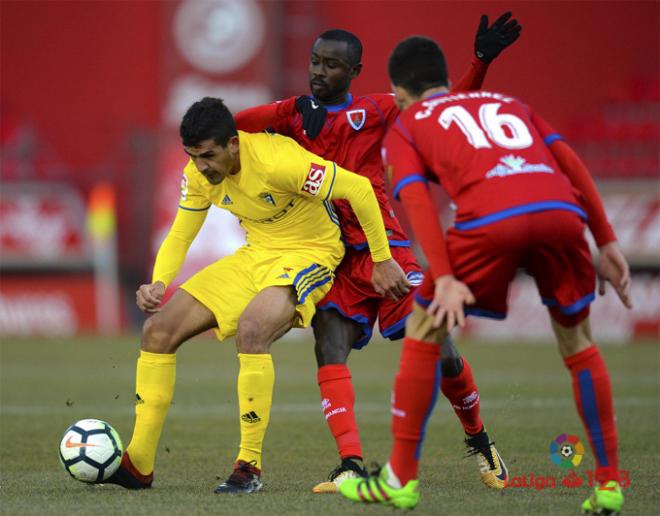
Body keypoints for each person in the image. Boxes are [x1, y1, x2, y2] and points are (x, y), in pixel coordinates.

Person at [338, 36, 632, 513]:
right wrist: (607, 238)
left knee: (423, 328)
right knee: (579, 345)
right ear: (448, 83)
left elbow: (414, 198)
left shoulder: (408, 124)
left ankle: (399, 480)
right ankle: (608, 485)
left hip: (489, 219)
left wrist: (447, 275)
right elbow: (569, 162)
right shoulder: (508, 103)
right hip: (559, 213)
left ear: (399, 92)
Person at [235, 13, 521, 493]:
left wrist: (480, 62)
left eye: (331, 65)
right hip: (333, 260)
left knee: (439, 348)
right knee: (328, 345)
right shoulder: (290, 115)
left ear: (354, 71)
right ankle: (349, 463)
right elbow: (234, 128)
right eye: (314, 62)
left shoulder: (377, 110)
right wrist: (262, 114)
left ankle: (480, 439)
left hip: (386, 250)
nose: (319, 72)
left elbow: (441, 107)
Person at [105, 97, 410, 493]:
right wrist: (159, 282)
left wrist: (383, 259)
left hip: (309, 253)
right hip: (254, 256)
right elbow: (181, 232)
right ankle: (138, 464)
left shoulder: (277, 161)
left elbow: (359, 189)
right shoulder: (198, 174)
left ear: (233, 143)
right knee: (157, 331)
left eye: (209, 156)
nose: (201, 166)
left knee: (252, 330)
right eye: (193, 156)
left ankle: (248, 466)